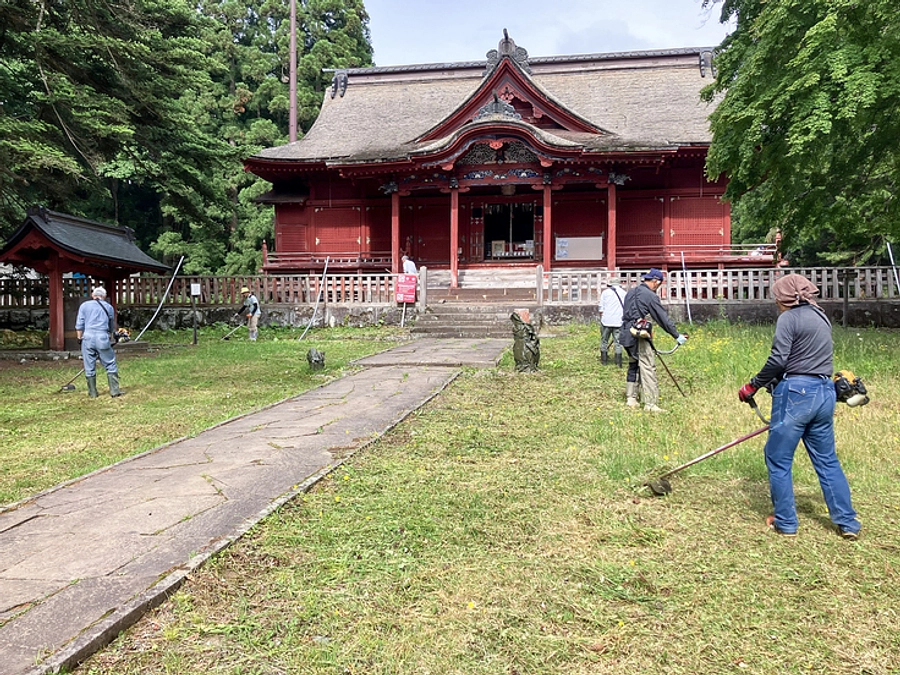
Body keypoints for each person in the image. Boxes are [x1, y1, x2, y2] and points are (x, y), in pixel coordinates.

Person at [738, 273, 861, 540]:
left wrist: (753, 385)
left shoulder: (788, 318)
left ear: (784, 298)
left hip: (796, 394)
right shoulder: (820, 315)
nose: (776, 304)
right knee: (827, 460)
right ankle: (848, 522)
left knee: (778, 457)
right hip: (824, 391)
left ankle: (786, 521)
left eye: (776, 299)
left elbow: (778, 360)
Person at [619, 268, 687, 412]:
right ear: (656, 282)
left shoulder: (631, 292)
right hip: (639, 333)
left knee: (634, 363)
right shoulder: (650, 296)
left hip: (624, 332)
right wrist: (676, 335)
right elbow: (662, 318)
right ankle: (650, 404)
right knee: (648, 367)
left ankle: (631, 399)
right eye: (659, 284)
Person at [75, 286, 122, 398]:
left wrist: (79, 338)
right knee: (110, 363)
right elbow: (111, 326)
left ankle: (93, 393)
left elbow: (79, 324)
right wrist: (111, 336)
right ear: (104, 297)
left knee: (89, 365)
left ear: (93, 295)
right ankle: (114, 391)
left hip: (87, 337)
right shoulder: (109, 307)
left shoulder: (84, 306)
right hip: (102, 337)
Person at [598, 277, 627, 367]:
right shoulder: (624, 293)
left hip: (606, 320)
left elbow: (601, 307)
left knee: (604, 340)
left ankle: (604, 361)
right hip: (619, 321)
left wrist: (602, 317)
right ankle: (618, 363)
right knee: (618, 342)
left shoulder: (605, 293)